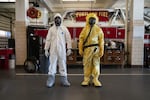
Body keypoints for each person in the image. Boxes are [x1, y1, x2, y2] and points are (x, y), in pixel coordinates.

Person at [44, 13, 72, 88]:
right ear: (54, 20)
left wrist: (69, 48)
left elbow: (68, 39)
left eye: (58, 18)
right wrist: (46, 49)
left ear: (61, 20)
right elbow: (48, 40)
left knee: (62, 64)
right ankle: (51, 79)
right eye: (56, 19)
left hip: (62, 50)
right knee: (52, 64)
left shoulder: (64, 28)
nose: (57, 20)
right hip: (53, 50)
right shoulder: (51, 29)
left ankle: (64, 80)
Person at [78, 13, 104, 87]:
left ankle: (96, 79)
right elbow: (81, 39)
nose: (92, 21)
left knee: (96, 64)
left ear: (96, 20)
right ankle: (86, 79)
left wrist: (102, 50)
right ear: (87, 20)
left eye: (93, 19)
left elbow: (101, 40)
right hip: (87, 49)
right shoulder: (85, 29)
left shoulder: (98, 29)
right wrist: (80, 48)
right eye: (90, 19)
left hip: (96, 49)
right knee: (87, 64)